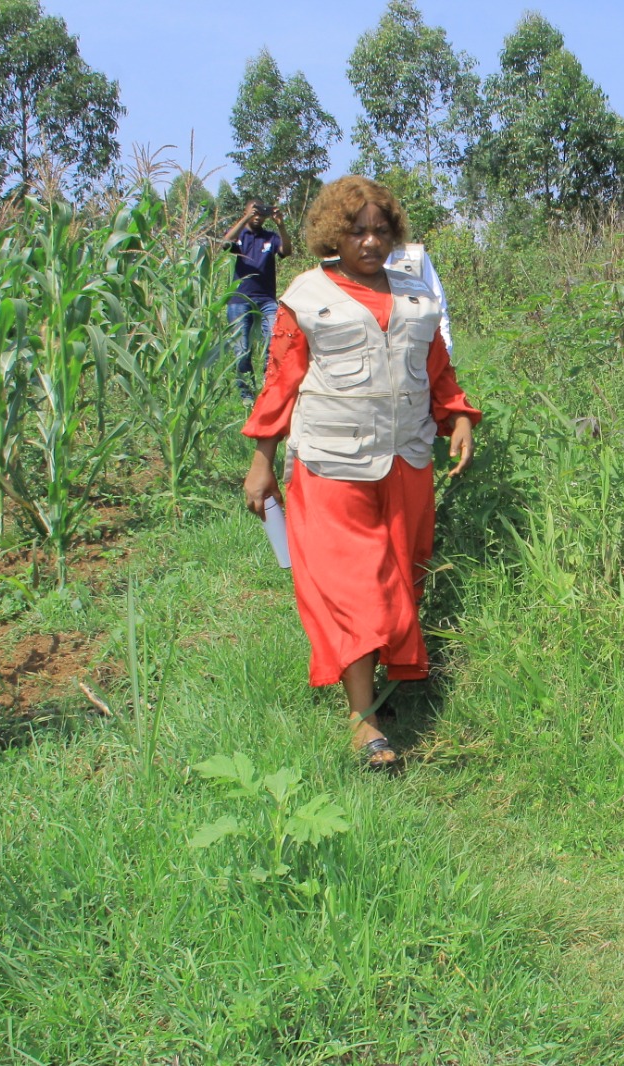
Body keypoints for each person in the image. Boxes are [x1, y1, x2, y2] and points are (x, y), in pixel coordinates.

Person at [241, 176, 479, 771]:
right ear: (333, 234)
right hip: (332, 465)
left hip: (406, 461)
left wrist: (458, 418)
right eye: (356, 231)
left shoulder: (417, 298)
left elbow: (438, 371)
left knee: (398, 578)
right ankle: (363, 720)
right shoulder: (306, 297)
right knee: (356, 587)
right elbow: (280, 382)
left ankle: (377, 687)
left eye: (380, 230)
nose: (370, 242)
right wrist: (262, 462)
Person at [222, 200, 292, 402]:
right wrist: (245, 218)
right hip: (239, 299)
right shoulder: (240, 236)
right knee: (242, 349)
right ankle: (246, 393)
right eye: (254, 212)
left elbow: (286, 251)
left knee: (274, 340)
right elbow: (225, 244)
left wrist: (281, 225)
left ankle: (268, 385)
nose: (258, 216)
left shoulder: (270, 237)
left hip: (266, 299)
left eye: (261, 213)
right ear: (246, 212)